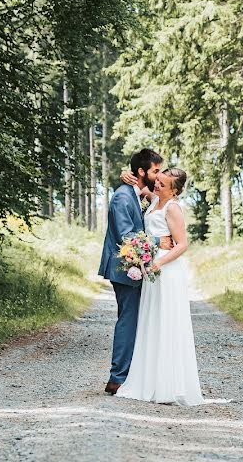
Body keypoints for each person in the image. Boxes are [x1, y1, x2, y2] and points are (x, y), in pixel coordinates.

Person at [114, 167, 210, 406]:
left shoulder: (173, 208)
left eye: (163, 184)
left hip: (167, 271)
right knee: (152, 321)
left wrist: (158, 263)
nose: (157, 185)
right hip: (153, 269)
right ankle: (150, 379)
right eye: (157, 181)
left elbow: (182, 244)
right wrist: (125, 174)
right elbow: (140, 184)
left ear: (175, 191)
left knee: (166, 322)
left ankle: (168, 385)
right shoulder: (156, 198)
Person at [98, 149, 173, 395]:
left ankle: (130, 375)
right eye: (155, 171)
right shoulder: (121, 197)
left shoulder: (134, 192)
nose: (159, 174)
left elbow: (154, 200)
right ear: (141, 172)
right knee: (128, 321)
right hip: (124, 268)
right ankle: (117, 378)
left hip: (134, 267)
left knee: (135, 320)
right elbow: (127, 235)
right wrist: (157, 242)